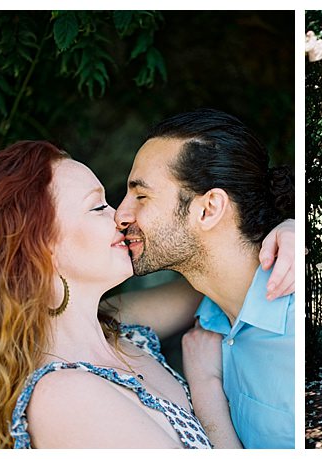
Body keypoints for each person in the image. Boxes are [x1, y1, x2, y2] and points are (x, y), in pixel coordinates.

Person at [0, 140, 293, 449]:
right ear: (40, 248)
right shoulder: (65, 397)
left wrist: (286, 232)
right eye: (97, 207)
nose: (120, 217)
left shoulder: (119, 329)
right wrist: (205, 386)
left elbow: (217, 272)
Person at [111, 109, 295, 448]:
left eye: (141, 196)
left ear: (208, 209)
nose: (120, 215)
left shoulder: (293, 331)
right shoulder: (207, 309)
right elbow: (74, 316)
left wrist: (206, 390)